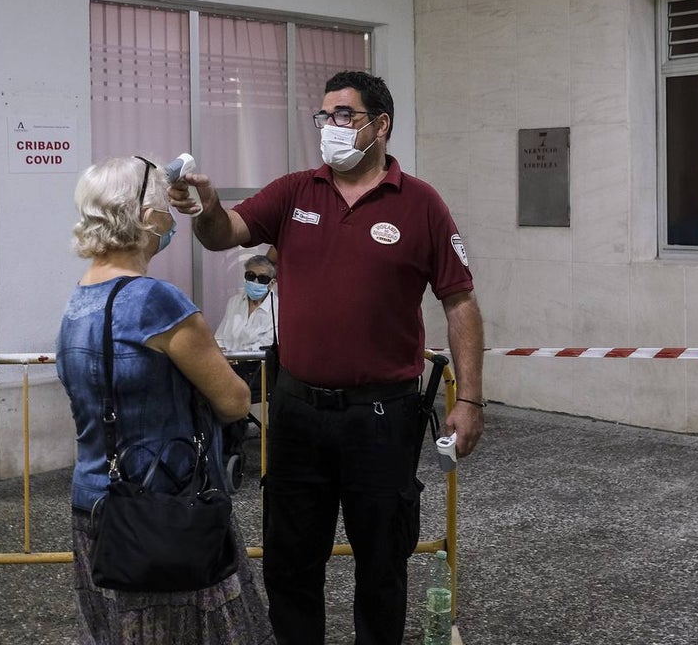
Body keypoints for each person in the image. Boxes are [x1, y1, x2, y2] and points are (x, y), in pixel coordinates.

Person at [169, 71, 485, 645]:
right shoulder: (296, 191)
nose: (330, 127)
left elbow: (460, 301)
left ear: (379, 125)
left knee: (382, 563)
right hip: (297, 414)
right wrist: (208, 208)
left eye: (344, 115)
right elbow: (224, 234)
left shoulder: (420, 205)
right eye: (324, 116)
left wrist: (469, 397)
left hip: (382, 417)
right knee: (290, 565)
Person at [56, 156, 274, 645]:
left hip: (96, 505)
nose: (171, 214)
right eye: (162, 200)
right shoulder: (156, 301)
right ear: (144, 216)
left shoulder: (79, 299)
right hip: (167, 508)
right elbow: (235, 400)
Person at [214, 254, 278, 353]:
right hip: (227, 362)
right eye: (251, 276)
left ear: (272, 283)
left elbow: (266, 345)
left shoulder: (278, 308)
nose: (255, 282)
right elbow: (219, 338)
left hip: (257, 365)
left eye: (262, 279)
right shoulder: (234, 302)